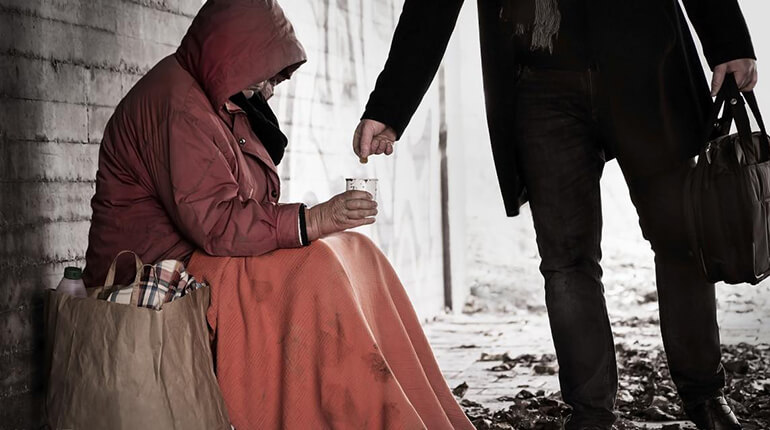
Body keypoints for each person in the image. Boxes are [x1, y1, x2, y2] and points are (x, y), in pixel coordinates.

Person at [353, 0, 758, 429]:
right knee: (566, 261)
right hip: (541, 81)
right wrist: (389, 107)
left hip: (645, 65)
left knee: (681, 240)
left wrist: (728, 40)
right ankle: (590, 415)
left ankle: (705, 397)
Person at [82, 0, 474, 429]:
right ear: (234, 53)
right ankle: (358, 416)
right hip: (158, 273)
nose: (269, 90)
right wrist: (312, 221)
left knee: (354, 250)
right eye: (265, 75)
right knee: (316, 268)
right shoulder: (178, 105)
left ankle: (415, 413)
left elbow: (249, 204)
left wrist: (317, 224)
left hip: (206, 256)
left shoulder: (218, 97)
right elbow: (217, 225)